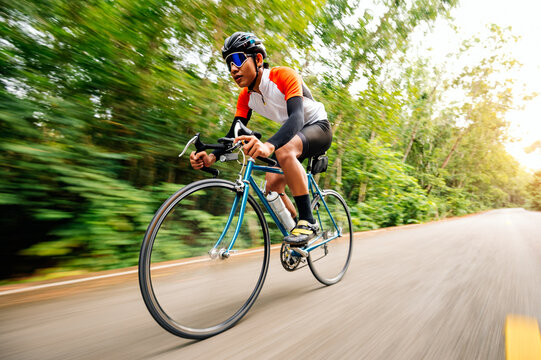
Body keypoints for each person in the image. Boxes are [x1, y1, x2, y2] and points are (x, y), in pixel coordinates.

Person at [190, 32, 332, 246]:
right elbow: (233, 134)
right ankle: (299, 229)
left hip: (318, 127)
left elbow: (296, 117)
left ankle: (308, 222)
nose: (233, 69)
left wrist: (268, 145)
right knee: (272, 186)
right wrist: (211, 157)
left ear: (257, 59)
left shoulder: (283, 75)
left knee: (283, 151)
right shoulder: (246, 97)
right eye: (229, 63)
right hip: (294, 134)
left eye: (237, 59)